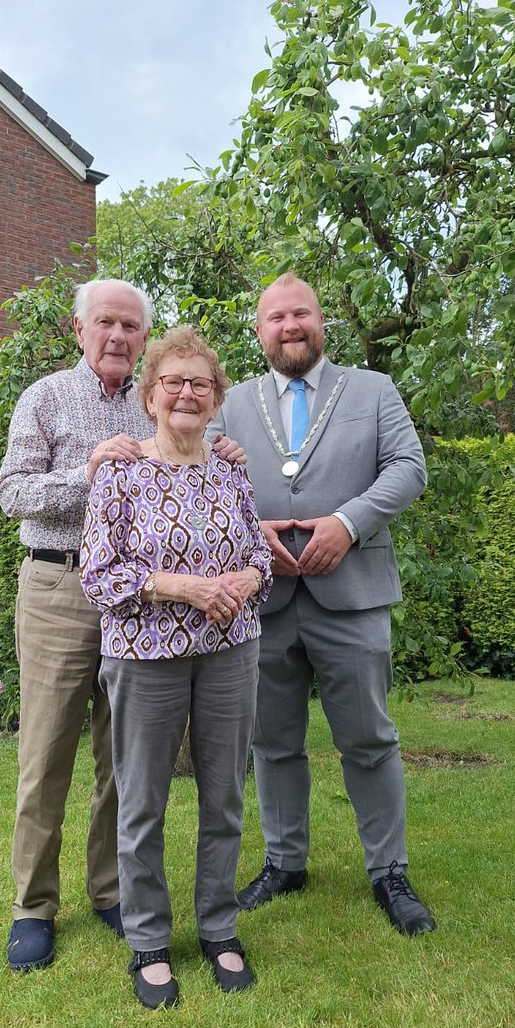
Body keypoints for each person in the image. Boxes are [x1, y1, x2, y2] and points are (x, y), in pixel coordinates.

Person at [0, 280, 244, 974]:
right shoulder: (45, 397)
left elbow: (188, 451)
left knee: (122, 760)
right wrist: (87, 470)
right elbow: (12, 491)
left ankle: (111, 890)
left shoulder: (154, 398)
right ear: (79, 328)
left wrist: (224, 453)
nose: (117, 336)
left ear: (144, 338)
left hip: (143, 610)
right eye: (105, 322)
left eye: (131, 326)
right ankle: (33, 908)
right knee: (46, 753)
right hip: (60, 584)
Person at [207, 273, 437, 936]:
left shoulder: (372, 390)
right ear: (259, 331)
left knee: (368, 738)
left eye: (300, 313)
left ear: (321, 320)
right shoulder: (232, 403)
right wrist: (253, 536)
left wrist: (348, 521)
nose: (289, 326)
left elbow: (408, 467)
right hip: (265, 599)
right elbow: (205, 477)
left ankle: (388, 871)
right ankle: (285, 861)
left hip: (353, 594)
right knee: (271, 741)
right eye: (275, 317)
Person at [81, 326, 272, 1009]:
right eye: (174, 382)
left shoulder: (231, 469)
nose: (187, 393)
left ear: (217, 400)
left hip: (230, 652)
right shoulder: (120, 471)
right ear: (150, 396)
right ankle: (149, 944)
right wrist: (186, 587)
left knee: (223, 797)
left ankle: (219, 928)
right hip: (144, 658)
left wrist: (244, 583)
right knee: (142, 806)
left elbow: (261, 553)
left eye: (201, 384)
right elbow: (98, 575)